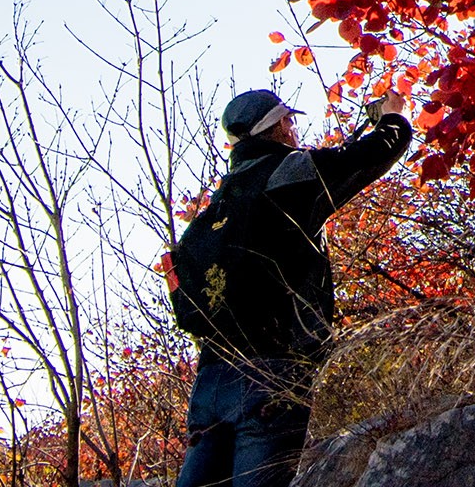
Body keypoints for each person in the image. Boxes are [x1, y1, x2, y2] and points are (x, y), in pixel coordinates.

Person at [174, 85, 412, 487]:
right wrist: (392, 118)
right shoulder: (290, 172)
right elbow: (369, 157)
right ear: (280, 127)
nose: (293, 126)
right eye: (289, 119)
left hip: (211, 379)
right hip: (273, 371)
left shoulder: (215, 208)